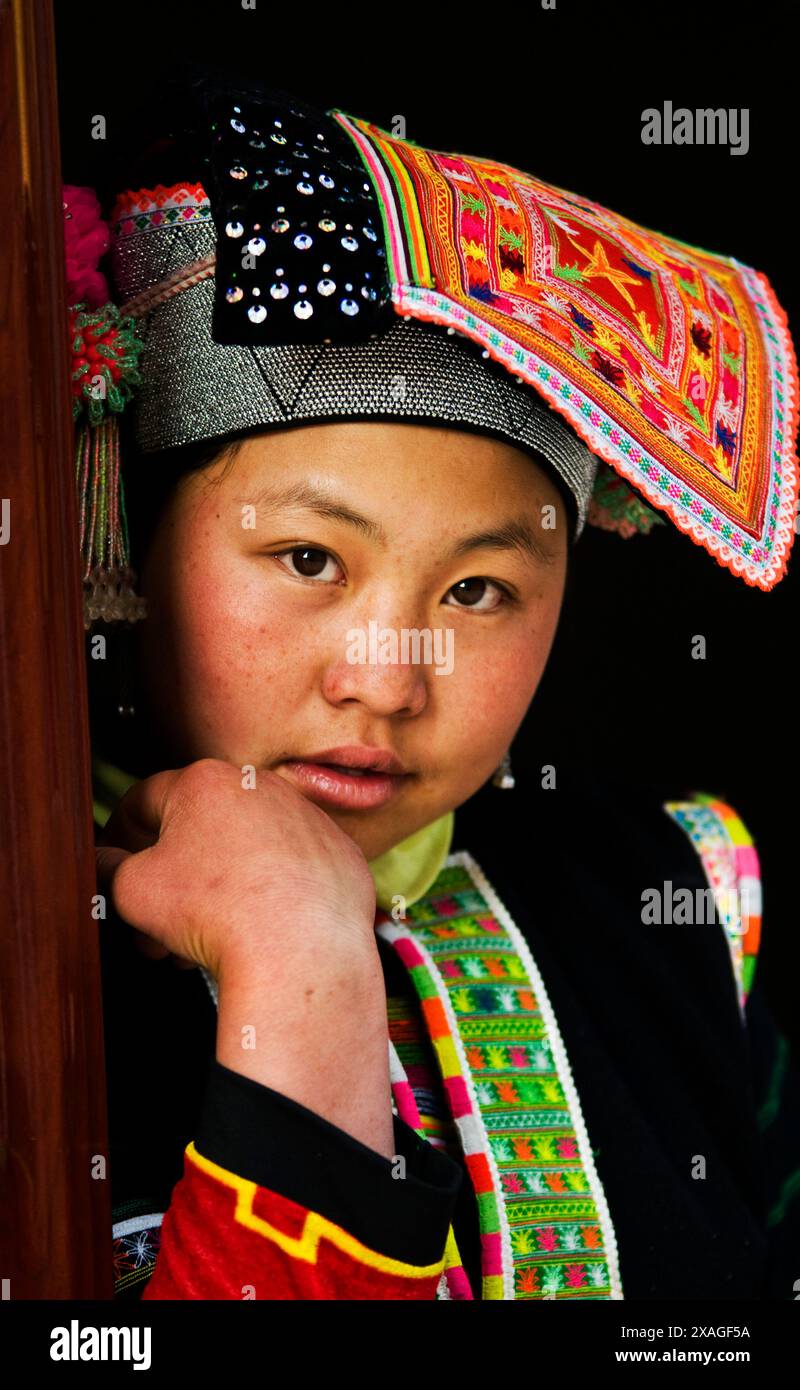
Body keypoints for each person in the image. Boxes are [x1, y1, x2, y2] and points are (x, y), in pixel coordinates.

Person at [65, 73, 800, 1300]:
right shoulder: (36, 951)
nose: (387, 684)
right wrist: (301, 967)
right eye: (306, 559)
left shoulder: (671, 900)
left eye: (475, 592)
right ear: (129, 535)